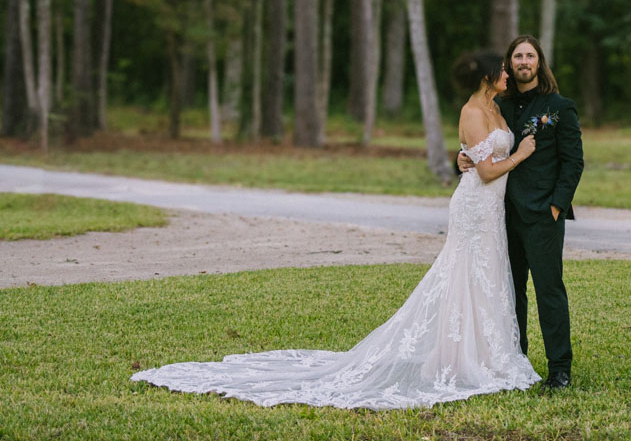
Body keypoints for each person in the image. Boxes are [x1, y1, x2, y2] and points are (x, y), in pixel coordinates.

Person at [131, 53, 540, 409]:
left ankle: (485, 354)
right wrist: (519, 154)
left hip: (490, 213)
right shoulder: (472, 111)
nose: (509, 74)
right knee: (462, 274)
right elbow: (486, 171)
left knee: (486, 276)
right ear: (487, 75)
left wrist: (468, 156)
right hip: (473, 207)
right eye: (503, 69)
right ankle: (457, 360)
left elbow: (478, 154)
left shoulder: (497, 108)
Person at [458, 33, 584, 391]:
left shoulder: (559, 107)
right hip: (501, 216)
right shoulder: (501, 106)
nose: (523, 62)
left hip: (544, 215)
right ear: (510, 65)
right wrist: (462, 157)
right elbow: (481, 147)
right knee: (509, 293)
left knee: (549, 291)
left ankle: (560, 368)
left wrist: (557, 206)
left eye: (530, 56)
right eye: (517, 57)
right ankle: (516, 360)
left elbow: (573, 163)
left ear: (539, 62)